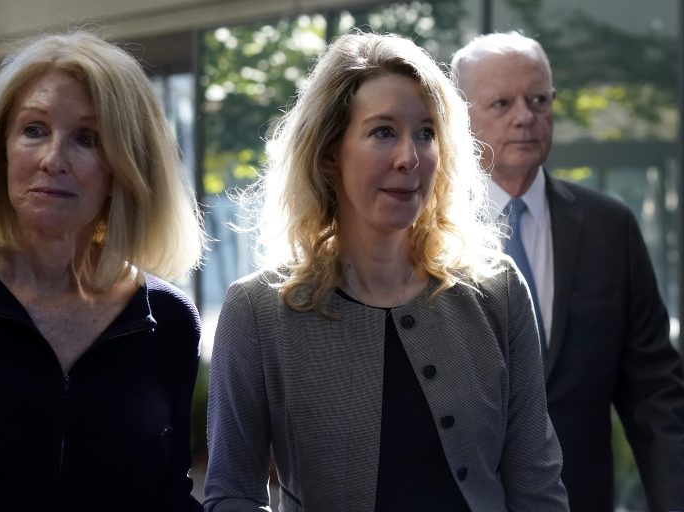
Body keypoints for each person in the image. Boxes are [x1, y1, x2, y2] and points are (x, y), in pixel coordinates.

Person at [204, 31, 568, 511]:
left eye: (425, 133)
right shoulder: (259, 310)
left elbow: (536, 487)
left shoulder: (497, 289)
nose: (409, 158)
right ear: (330, 152)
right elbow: (230, 493)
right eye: (383, 132)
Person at [0, 31, 206, 511]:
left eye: (87, 138)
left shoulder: (167, 321)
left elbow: (169, 497)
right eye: (33, 129)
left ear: (126, 165)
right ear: (2, 150)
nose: (53, 160)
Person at [451, 31, 684, 512]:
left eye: (538, 99)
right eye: (501, 103)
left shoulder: (610, 228)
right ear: (458, 118)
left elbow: (654, 395)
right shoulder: (424, 233)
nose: (525, 116)